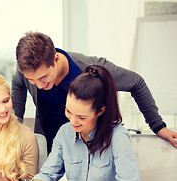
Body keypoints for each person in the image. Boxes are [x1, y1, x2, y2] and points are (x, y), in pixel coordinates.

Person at [12, 32, 177, 153]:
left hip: (93, 151)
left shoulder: (91, 68)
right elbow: (18, 83)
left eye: (44, 78)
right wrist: (15, 127)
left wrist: (158, 126)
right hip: (52, 150)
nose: (39, 85)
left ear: (55, 59)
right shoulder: (28, 71)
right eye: (32, 80)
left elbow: (137, 83)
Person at [18, 65, 141, 181]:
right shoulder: (65, 133)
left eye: (82, 117)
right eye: (68, 111)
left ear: (100, 111)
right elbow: (48, 175)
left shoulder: (118, 137)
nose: (73, 121)